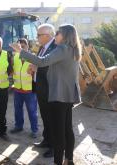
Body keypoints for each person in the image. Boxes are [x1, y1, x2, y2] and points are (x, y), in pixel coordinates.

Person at [10, 24, 82, 165]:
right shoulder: (73, 50)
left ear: (65, 35)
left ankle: (58, 162)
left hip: (58, 96)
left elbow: (43, 61)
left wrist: (21, 51)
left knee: (58, 131)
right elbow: (54, 68)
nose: (55, 36)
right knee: (67, 129)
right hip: (68, 95)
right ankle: (69, 159)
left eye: (57, 34)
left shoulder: (62, 48)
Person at [30, 23, 57, 158]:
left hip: (49, 89)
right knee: (45, 117)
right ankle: (47, 140)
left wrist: (37, 68)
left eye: (39, 35)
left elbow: (50, 67)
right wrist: (33, 68)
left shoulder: (55, 47)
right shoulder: (42, 47)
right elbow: (39, 62)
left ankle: (54, 147)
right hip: (41, 87)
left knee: (52, 119)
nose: (37, 37)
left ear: (47, 35)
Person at [10, 38, 38, 138]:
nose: (21, 48)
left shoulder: (33, 57)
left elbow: (38, 71)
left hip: (29, 90)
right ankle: (18, 126)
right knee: (17, 109)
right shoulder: (15, 57)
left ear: (28, 47)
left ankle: (34, 130)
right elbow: (12, 70)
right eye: (19, 46)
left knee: (32, 111)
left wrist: (34, 71)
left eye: (23, 46)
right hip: (17, 89)